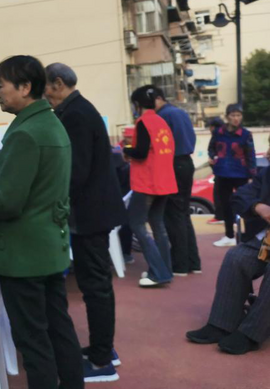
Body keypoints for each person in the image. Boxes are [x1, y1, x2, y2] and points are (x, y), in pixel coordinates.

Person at [0, 55, 84, 389]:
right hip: (49, 247)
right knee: (59, 328)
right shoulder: (51, 124)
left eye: (1, 85)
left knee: (33, 341)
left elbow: (7, 201)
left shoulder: (25, 133)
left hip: (23, 255)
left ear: (25, 87)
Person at [44, 63, 127, 382]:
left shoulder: (75, 114)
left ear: (58, 83)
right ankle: (102, 349)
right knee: (97, 285)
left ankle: (102, 360)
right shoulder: (78, 110)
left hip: (90, 215)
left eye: (44, 88)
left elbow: (74, 171)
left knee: (95, 286)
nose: (43, 96)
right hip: (93, 212)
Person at [187, 140, 270, 354]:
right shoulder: (266, 174)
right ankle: (222, 323)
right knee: (236, 257)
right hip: (265, 240)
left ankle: (251, 333)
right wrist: (258, 206)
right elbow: (240, 196)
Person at [123, 86, 177, 288]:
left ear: (137, 104)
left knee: (137, 224)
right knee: (157, 225)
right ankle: (164, 270)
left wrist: (126, 149)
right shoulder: (162, 121)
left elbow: (141, 152)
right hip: (165, 181)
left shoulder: (143, 122)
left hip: (147, 182)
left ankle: (159, 273)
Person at [153, 88, 202, 275]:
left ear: (159, 99)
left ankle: (179, 264)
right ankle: (193, 262)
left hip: (173, 164)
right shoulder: (180, 112)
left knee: (174, 216)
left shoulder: (163, 116)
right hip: (186, 163)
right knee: (183, 214)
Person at [208, 104, 257, 247]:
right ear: (227, 116)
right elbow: (211, 147)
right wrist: (213, 157)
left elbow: (250, 155)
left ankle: (250, 235)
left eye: (239, 115)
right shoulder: (218, 132)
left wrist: (252, 175)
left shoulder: (246, 134)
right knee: (226, 206)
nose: (236, 118)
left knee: (246, 204)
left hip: (241, 174)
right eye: (233, 115)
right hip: (222, 173)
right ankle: (229, 235)